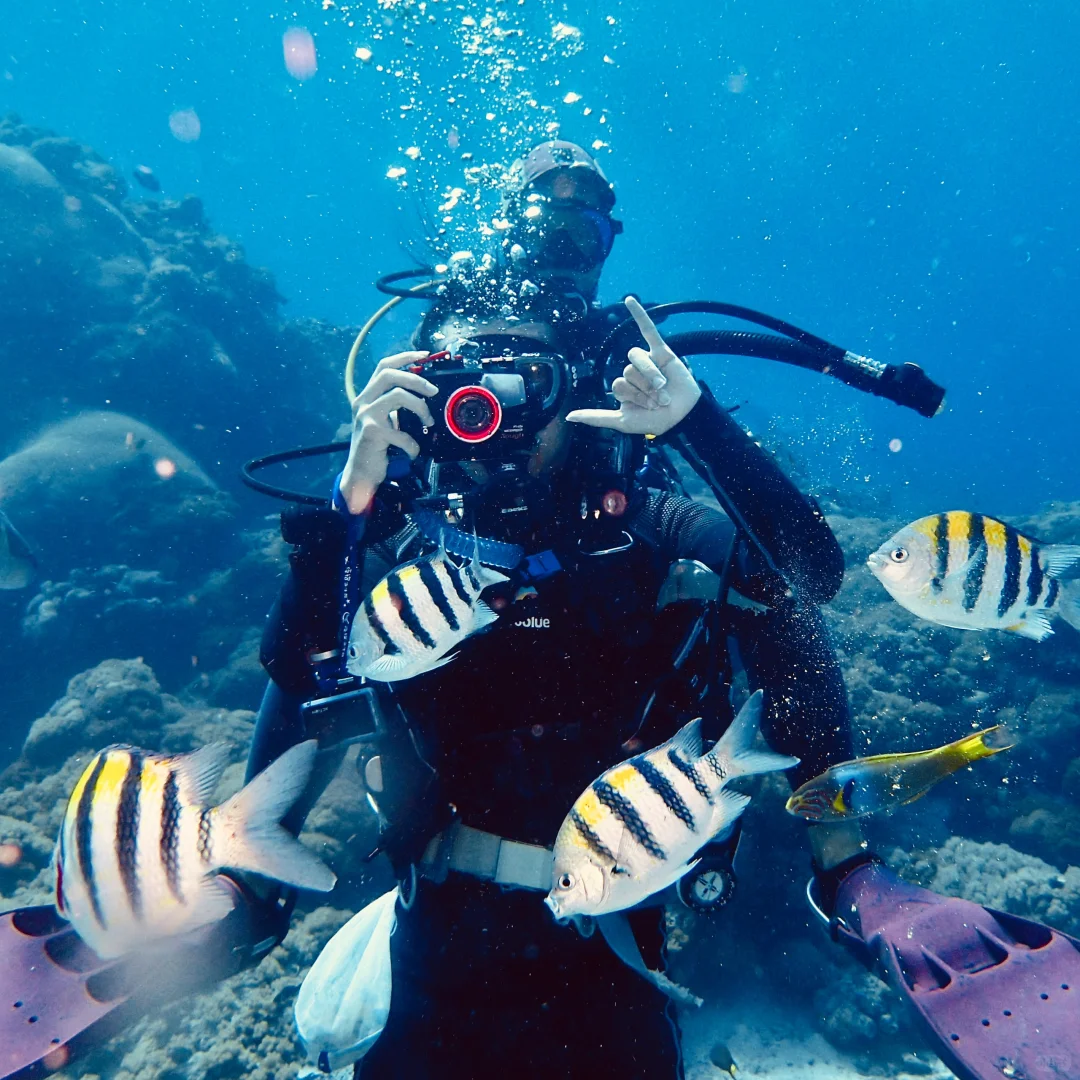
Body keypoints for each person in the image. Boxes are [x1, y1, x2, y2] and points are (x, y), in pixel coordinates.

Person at [2, 142, 1077, 1080]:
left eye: (542, 389)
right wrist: (354, 503)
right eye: (482, 394)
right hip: (436, 932)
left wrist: (853, 872)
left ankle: (849, 871)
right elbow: (315, 667)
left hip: (620, 930)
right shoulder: (413, 535)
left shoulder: (656, 523)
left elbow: (805, 584)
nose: (511, 414)